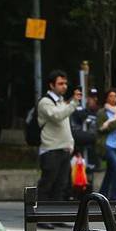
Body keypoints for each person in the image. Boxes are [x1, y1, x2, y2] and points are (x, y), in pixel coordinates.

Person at [36, 71, 80, 202]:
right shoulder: (45, 102)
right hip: (51, 150)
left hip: (64, 149)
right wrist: (73, 103)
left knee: (61, 186)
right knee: (47, 184)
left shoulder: (62, 102)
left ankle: (56, 218)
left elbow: (65, 126)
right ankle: (42, 218)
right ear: (51, 85)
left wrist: (70, 144)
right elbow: (57, 116)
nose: (64, 86)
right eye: (60, 83)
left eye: (65, 83)